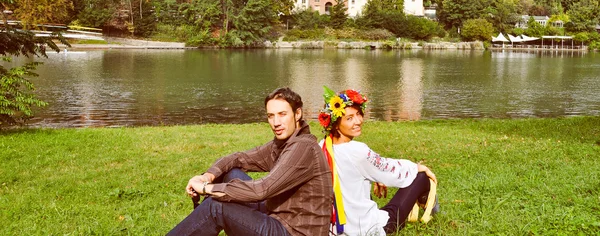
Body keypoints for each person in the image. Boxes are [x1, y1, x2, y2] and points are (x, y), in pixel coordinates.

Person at [167, 87, 332, 236]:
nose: (276, 123)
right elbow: (239, 158)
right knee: (231, 173)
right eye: (270, 116)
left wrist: (205, 189)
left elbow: (261, 190)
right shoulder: (283, 143)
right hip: (278, 214)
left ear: (297, 114)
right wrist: (207, 177)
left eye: (282, 114)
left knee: (216, 207)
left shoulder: (303, 148)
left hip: (293, 231)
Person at [318, 86, 438, 236]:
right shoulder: (357, 151)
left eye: (358, 114)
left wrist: (373, 175)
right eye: (349, 118)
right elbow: (391, 169)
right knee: (421, 177)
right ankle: (435, 213)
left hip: (334, 229)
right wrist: (418, 167)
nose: (358, 121)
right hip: (366, 230)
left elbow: (363, 169)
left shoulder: (322, 146)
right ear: (335, 123)